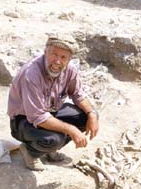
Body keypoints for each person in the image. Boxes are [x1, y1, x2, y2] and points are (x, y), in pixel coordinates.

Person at [7, 34, 99, 171]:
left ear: (69, 60)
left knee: (87, 117)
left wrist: (92, 114)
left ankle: (49, 149)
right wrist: (71, 129)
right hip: (24, 120)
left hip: (50, 110)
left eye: (63, 57)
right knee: (55, 139)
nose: (57, 61)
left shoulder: (70, 70)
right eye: (54, 54)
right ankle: (30, 151)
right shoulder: (31, 73)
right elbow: (37, 116)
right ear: (45, 52)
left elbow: (78, 94)